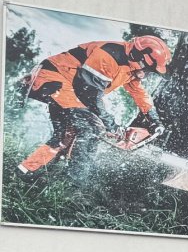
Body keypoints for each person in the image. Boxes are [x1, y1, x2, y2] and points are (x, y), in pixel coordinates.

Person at [18, 35, 171, 173]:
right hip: (54, 79)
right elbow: (89, 94)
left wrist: (154, 120)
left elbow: (139, 94)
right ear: (139, 57)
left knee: (67, 134)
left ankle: (27, 171)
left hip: (69, 88)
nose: (147, 74)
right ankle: (75, 185)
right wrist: (111, 125)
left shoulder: (130, 69)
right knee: (92, 127)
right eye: (149, 70)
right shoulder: (110, 55)